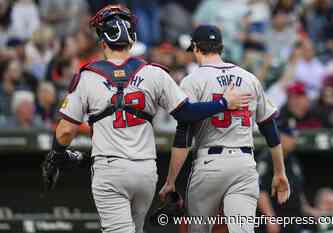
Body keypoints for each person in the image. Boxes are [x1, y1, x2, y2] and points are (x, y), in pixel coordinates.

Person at [41, 5, 249, 233]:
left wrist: (56, 156)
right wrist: (222, 103)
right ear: (132, 39)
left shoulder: (88, 76)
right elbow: (186, 113)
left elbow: (64, 132)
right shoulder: (154, 72)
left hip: (110, 169)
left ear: (102, 41)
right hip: (145, 172)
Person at [160, 25, 290, 233]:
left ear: (195, 48)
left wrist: (171, 180)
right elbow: (269, 128)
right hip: (244, 164)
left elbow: (183, 135)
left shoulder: (193, 80)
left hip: (210, 163)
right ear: (220, 47)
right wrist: (280, 172)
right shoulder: (249, 78)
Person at [257, 119, 309, 233]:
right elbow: (260, 190)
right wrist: (270, 218)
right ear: (280, 136)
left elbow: (298, 191)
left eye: (295, 137)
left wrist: (309, 210)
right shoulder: (266, 158)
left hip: (294, 220)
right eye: (290, 136)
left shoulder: (293, 160)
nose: (294, 140)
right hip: (276, 220)